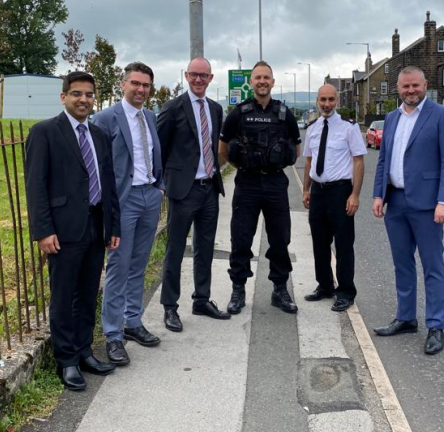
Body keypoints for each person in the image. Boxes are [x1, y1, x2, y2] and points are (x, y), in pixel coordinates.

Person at [25, 71, 121, 391]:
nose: (83, 100)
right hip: (63, 230)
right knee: (64, 297)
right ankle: (65, 360)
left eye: (89, 94)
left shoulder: (100, 135)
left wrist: (113, 225)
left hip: (95, 226)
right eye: (77, 93)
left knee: (88, 294)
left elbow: (109, 185)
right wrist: (43, 230)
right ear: (63, 96)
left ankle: (83, 351)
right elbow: (36, 186)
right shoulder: (44, 132)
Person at [371, 66, 444, 355]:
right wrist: (377, 194)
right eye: (405, 86)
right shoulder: (391, 118)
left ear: (425, 85)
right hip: (395, 202)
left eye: (415, 86)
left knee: (432, 266)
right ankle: (406, 317)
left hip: (427, 204)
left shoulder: (442, 115)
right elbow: (383, 160)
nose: (411, 91)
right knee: (402, 263)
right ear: (398, 88)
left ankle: (436, 325)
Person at [94, 62, 165, 365]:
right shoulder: (105, 118)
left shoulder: (150, 116)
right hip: (122, 203)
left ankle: (133, 321)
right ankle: (113, 334)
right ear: (122, 84)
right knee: (118, 267)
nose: (140, 89)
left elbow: (154, 154)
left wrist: (159, 187)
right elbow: (97, 166)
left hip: (149, 196)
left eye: (146, 85)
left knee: (139, 263)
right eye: (135, 83)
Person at [218, 61, 302, 314]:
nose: (262, 81)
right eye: (258, 78)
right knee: (241, 238)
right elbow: (223, 150)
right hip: (248, 183)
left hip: (276, 182)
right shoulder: (238, 113)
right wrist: (243, 165)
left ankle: (279, 290)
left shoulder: (284, 114)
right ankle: (238, 290)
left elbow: (295, 151)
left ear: (273, 82)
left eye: (266, 77)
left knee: (280, 239)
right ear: (251, 82)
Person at [157, 57, 228, 332]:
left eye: (204, 76)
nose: (199, 80)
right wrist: (162, 182)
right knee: (175, 249)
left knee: (205, 248)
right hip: (182, 190)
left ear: (211, 78)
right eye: (194, 75)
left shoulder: (215, 109)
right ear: (186, 76)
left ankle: (201, 299)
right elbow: (159, 149)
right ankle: (170, 306)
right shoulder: (173, 107)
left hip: (208, 188)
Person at [301, 84, 366, 312]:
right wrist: (306, 190)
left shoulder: (349, 128)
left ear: (337, 101)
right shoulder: (313, 128)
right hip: (318, 191)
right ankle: (325, 285)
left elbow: (358, 161)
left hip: (340, 191)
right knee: (319, 242)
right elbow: (309, 161)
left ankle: (346, 291)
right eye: (323, 100)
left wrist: (355, 195)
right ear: (317, 101)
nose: (327, 104)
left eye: (331, 100)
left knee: (344, 244)